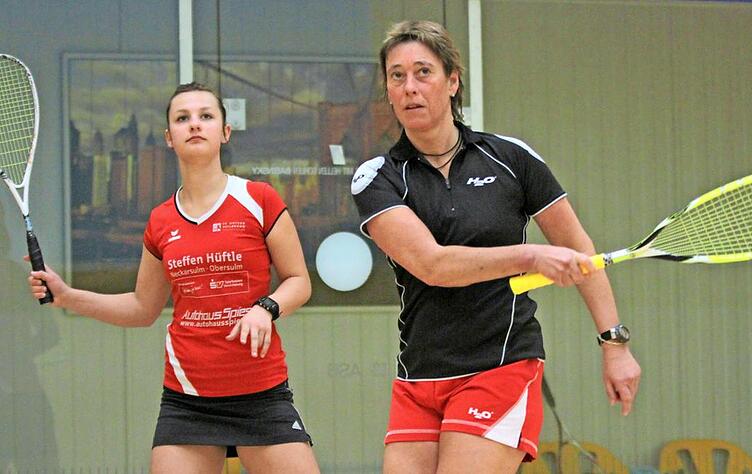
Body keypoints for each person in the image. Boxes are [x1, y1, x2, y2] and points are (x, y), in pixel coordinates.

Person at [351, 20, 642, 473]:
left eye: (423, 72)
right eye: (397, 75)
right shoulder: (377, 177)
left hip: (500, 366)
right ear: (387, 90)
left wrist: (615, 344)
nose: (410, 87)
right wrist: (530, 255)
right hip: (418, 377)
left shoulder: (512, 159)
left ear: (452, 81)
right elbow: (433, 265)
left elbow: (579, 248)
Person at [28, 82, 320, 474]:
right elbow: (141, 308)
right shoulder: (161, 221)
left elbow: (299, 281)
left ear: (225, 132)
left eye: (206, 116)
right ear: (169, 137)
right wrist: (67, 296)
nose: (194, 125)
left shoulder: (259, 199)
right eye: (182, 119)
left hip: (261, 395)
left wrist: (266, 308)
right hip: (188, 400)